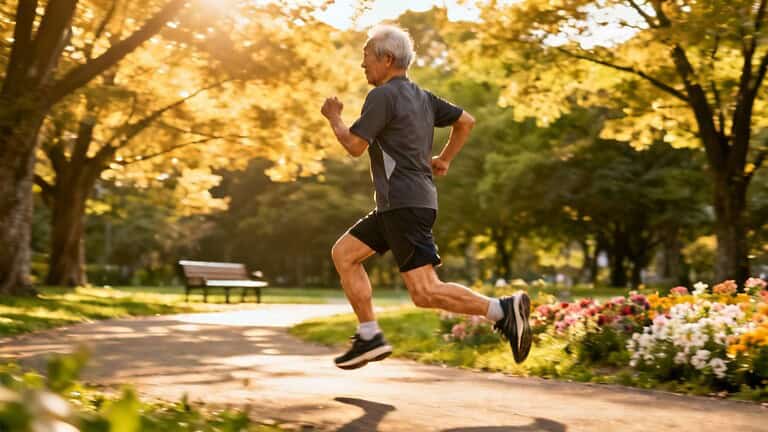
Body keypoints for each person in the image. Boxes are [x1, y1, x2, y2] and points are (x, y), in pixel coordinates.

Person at [320, 24, 532, 370]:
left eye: (366, 59)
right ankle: (369, 335)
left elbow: (355, 146)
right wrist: (445, 159)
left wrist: (335, 119)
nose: (363, 67)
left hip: (404, 205)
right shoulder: (423, 97)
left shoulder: (382, 96)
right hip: (398, 205)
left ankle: (503, 310)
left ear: (387, 59)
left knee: (425, 292)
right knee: (344, 254)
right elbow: (466, 121)